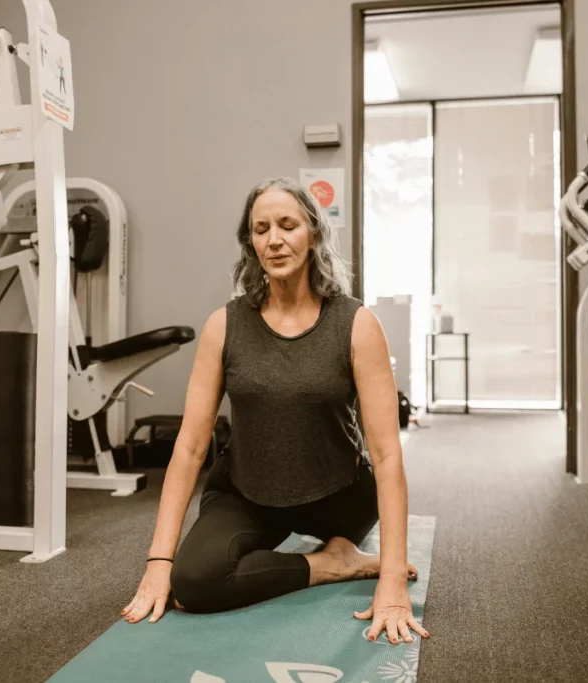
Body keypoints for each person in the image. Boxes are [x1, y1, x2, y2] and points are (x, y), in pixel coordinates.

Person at [121, 177, 427, 646]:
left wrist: (390, 580)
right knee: (194, 583)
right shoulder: (225, 325)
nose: (275, 239)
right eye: (261, 229)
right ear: (251, 243)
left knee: (356, 494)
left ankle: (343, 550)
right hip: (249, 492)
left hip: (339, 497)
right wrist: (159, 564)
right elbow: (190, 446)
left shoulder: (356, 324)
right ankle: (331, 565)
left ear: (314, 234)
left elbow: (386, 455)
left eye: (288, 225)